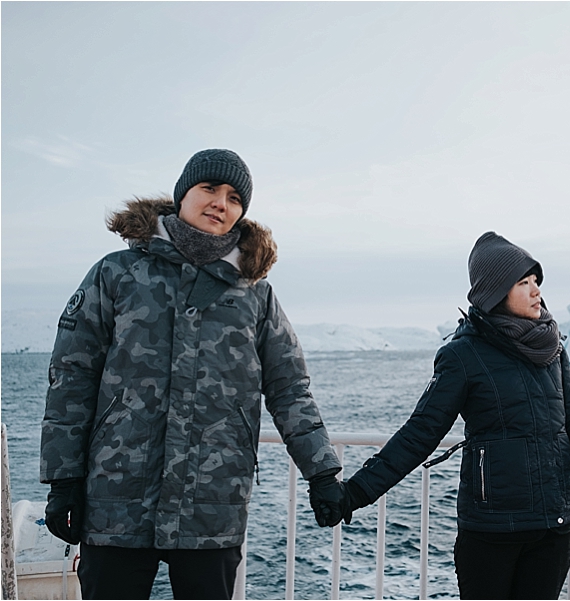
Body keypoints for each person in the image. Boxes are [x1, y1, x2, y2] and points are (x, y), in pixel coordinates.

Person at [39, 149, 346, 600]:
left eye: (235, 197)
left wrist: (322, 474)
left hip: (212, 505)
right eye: (210, 189)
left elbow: (289, 388)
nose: (221, 202)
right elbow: (72, 376)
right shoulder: (118, 273)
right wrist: (63, 481)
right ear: (184, 193)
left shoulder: (255, 296)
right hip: (116, 500)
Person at [332, 231, 570, 600]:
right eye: (524, 283)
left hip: (553, 528)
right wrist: (355, 492)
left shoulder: (551, 348)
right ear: (496, 292)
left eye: (536, 281)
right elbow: (419, 434)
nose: (537, 290)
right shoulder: (463, 355)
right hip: (492, 532)